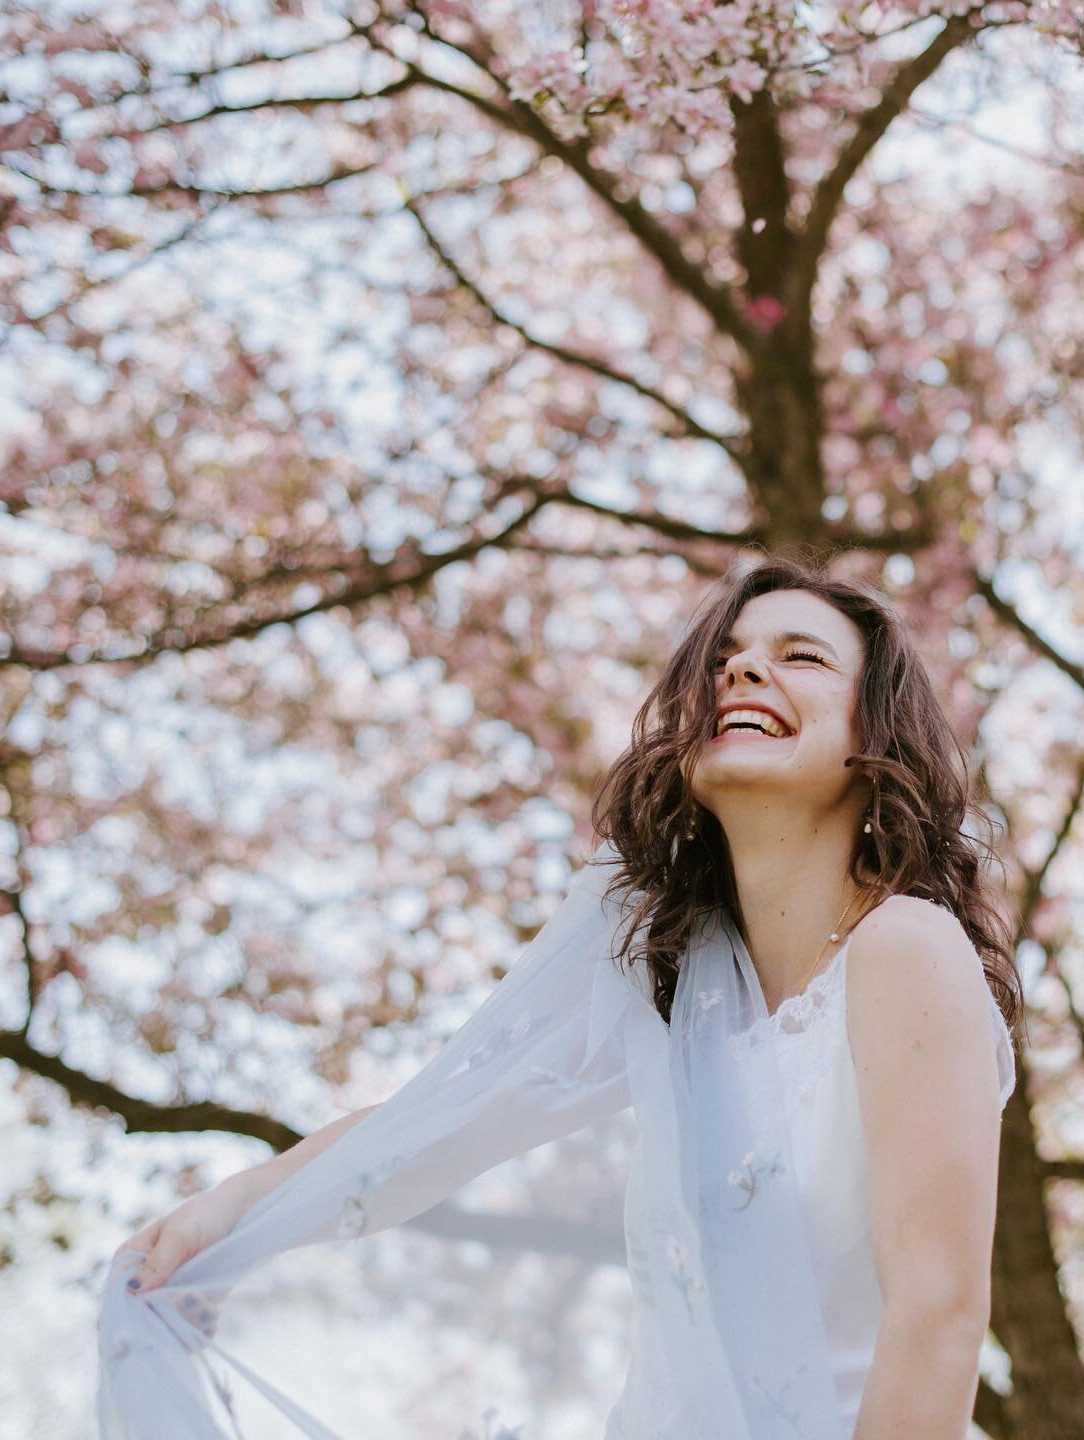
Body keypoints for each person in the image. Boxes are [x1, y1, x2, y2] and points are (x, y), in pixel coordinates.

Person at [99, 554, 1021, 1439]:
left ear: (875, 735)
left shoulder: (906, 948)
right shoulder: (677, 989)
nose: (741, 671)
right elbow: (439, 1119)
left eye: (801, 656)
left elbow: (938, 1313)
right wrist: (226, 1216)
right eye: (725, 660)